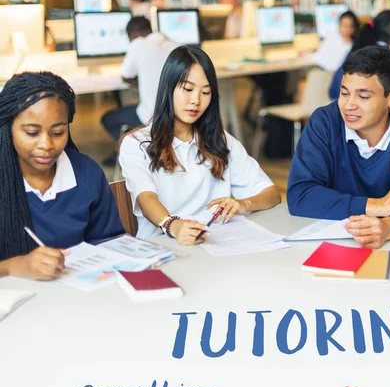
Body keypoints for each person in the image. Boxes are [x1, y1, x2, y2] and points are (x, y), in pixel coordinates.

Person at [119, 46, 281, 242]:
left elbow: (271, 194)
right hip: (164, 248)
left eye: (205, 92)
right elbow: (146, 199)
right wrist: (175, 226)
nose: (196, 100)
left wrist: (243, 204)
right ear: (168, 88)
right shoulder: (137, 144)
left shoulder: (220, 140)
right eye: (187, 89)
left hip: (217, 245)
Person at [287, 46, 390, 249]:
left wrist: (388, 227)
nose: (349, 105)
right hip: (331, 242)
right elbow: (300, 195)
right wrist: (379, 205)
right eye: (344, 93)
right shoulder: (324, 122)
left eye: (363, 97)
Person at [0, 72, 124, 280]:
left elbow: (110, 242)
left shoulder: (87, 174)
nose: (46, 145)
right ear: (7, 129)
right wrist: (16, 266)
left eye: (58, 132)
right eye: (31, 133)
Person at [101, 16, 179, 160]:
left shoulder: (138, 44)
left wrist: (141, 82)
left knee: (107, 118)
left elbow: (126, 75)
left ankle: (139, 149)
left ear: (132, 35)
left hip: (152, 116)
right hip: (177, 117)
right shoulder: (175, 45)